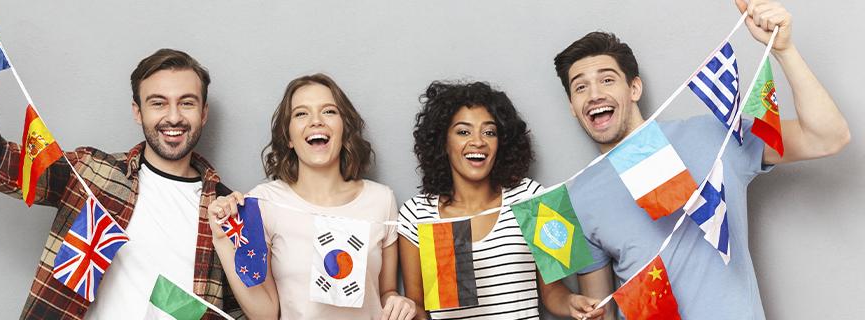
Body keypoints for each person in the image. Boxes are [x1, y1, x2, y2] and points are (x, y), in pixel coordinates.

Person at [0, 3, 243, 319]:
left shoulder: (227, 210)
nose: (173, 117)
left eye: (187, 103)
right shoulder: (91, 175)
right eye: (158, 103)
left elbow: (241, 311)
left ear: (204, 113)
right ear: (137, 112)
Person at [552, 0, 850, 318]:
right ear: (573, 106)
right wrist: (581, 310)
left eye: (607, 79)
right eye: (580, 87)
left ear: (634, 88)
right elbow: (600, 309)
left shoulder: (711, 134)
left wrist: (784, 51)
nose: (594, 93)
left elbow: (827, 137)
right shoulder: (576, 197)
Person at [207, 74, 416, 319]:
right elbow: (264, 314)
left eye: (328, 111)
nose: (316, 121)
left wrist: (400, 302)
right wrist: (222, 239)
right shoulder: (264, 202)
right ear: (288, 137)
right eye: (301, 114)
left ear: (344, 127)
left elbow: (386, 292)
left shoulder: (381, 200)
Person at [396, 81, 606, 320]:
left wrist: (570, 302)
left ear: (501, 142)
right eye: (463, 131)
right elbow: (417, 305)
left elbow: (553, 292)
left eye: (489, 132)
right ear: (443, 141)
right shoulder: (417, 213)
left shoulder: (533, 198)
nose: (478, 141)